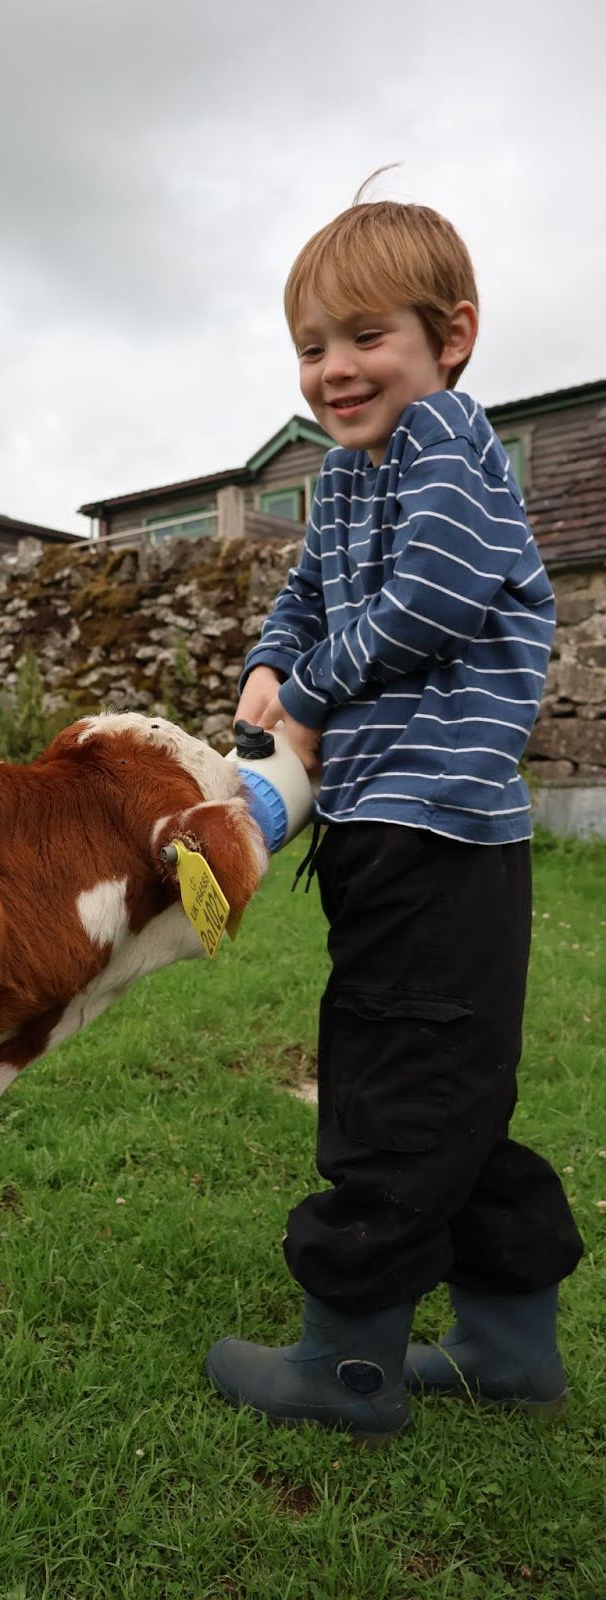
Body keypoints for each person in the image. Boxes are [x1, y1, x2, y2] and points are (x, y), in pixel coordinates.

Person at [205, 188, 584, 1443]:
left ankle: (349, 1366)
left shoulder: (447, 448)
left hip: (441, 837)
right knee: (451, 1094)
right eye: (311, 346)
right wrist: (272, 663)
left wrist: (306, 698)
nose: (333, 369)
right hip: (387, 835)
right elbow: (308, 598)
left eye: (363, 335)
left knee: (394, 1093)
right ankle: (505, 1345)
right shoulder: (343, 479)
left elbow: (428, 597)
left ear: (450, 336)